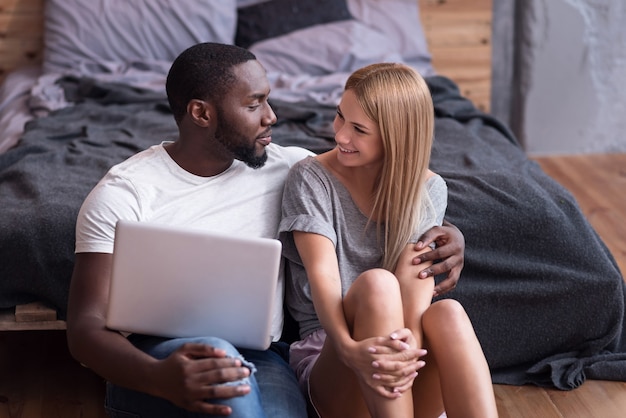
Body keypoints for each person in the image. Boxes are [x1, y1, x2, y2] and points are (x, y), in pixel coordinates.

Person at [65, 43, 466, 417]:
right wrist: (160, 377)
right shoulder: (124, 193)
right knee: (223, 366)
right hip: (153, 359)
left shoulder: (287, 167)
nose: (272, 116)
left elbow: (372, 192)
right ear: (202, 113)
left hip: (262, 353)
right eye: (254, 104)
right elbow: (84, 330)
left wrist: (446, 232)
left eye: (268, 99)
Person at [279, 63, 498, 417]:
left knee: (450, 314)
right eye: (340, 117)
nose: (340, 136)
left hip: (402, 356)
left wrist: (404, 354)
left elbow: (415, 287)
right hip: (332, 352)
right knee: (378, 285)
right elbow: (323, 275)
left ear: (396, 138)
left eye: (359, 130)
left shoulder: (427, 188)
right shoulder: (310, 178)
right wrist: (350, 348)